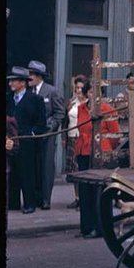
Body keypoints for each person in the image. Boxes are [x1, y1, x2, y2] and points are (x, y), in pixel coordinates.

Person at [74, 80, 120, 238]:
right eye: (92, 92)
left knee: (98, 192)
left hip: (101, 153)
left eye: (98, 92)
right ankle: (86, 226)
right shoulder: (81, 108)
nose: (94, 95)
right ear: (87, 93)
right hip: (84, 151)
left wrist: (107, 150)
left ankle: (100, 227)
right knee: (85, 191)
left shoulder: (107, 109)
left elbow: (115, 135)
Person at [6, 66, 46, 214]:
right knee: (12, 171)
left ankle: (30, 203)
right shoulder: (8, 99)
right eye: (10, 81)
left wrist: (31, 134)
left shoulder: (35, 100)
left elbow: (41, 124)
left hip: (27, 142)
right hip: (10, 141)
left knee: (27, 172)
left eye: (13, 81)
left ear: (22, 83)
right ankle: (13, 202)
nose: (10, 84)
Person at [26, 60, 65, 210]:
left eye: (30, 76)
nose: (28, 79)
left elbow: (60, 113)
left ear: (38, 76)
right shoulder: (29, 93)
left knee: (46, 166)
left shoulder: (52, 91)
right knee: (33, 166)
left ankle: (45, 199)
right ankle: (35, 197)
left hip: (47, 135)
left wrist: (49, 128)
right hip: (31, 134)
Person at [63, 74, 88, 209]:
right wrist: (64, 139)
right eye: (77, 88)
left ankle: (84, 198)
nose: (79, 90)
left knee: (81, 170)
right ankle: (77, 197)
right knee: (73, 171)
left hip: (82, 138)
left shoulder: (88, 103)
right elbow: (65, 121)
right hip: (71, 137)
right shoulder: (71, 102)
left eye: (81, 88)